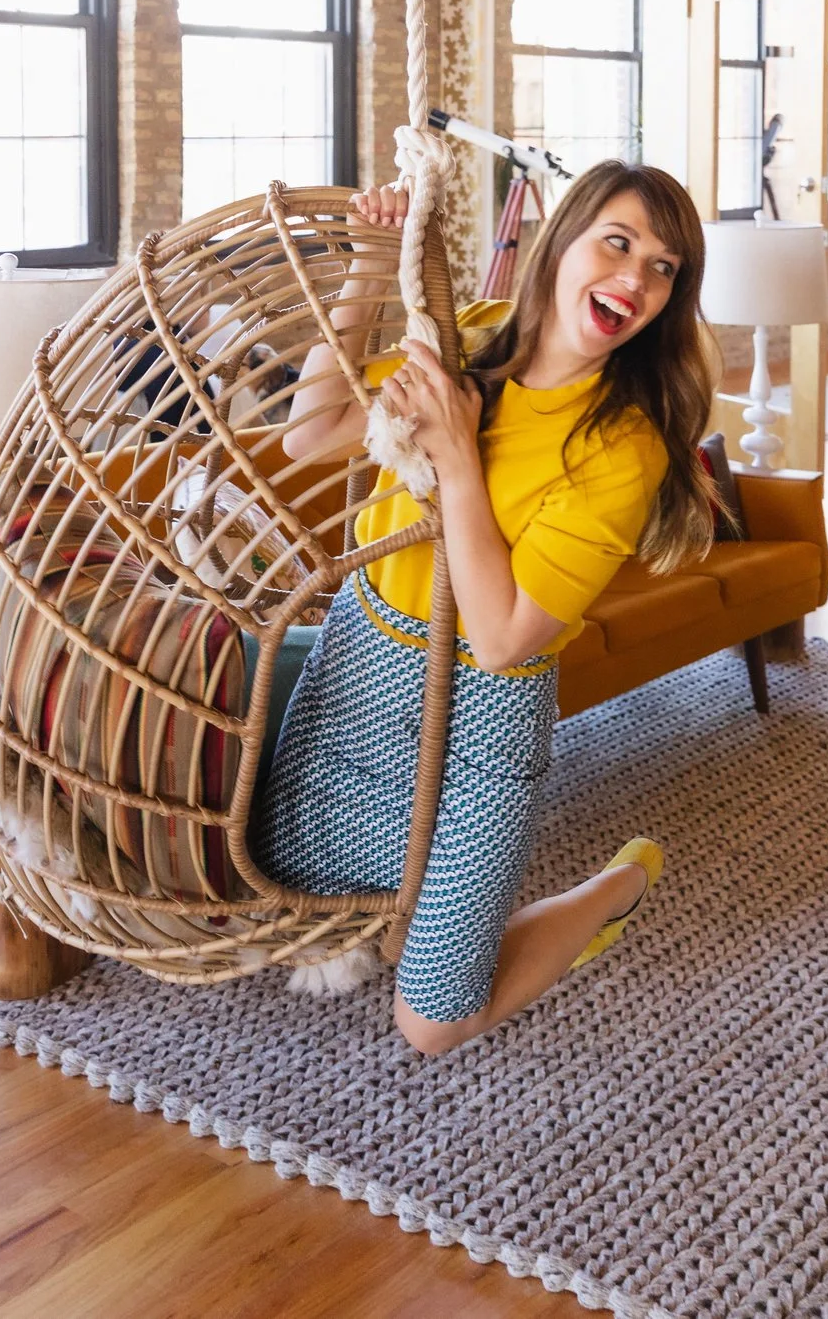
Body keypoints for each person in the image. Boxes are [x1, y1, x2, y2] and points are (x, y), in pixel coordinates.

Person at [257, 160, 720, 1056]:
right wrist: (371, 260)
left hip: (481, 715)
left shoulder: (621, 447)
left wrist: (459, 454)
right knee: (314, 890)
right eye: (617, 243)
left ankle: (610, 890)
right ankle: (432, 921)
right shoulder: (467, 337)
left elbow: (505, 638)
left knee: (435, 1018)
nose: (634, 279)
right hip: (361, 668)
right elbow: (310, 431)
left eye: (662, 268)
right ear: (562, 241)